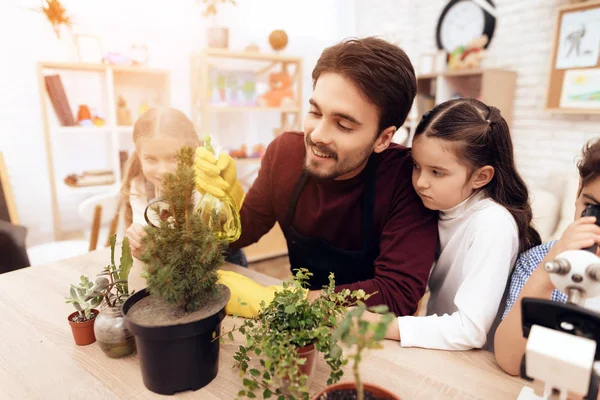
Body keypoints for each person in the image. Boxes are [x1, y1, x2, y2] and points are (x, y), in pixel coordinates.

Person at [193, 37, 438, 316]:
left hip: (369, 336)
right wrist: (219, 201)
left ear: (383, 138)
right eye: (314, 112)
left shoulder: (407, 180)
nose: (318, 135)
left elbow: (396, 295)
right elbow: (241, 233)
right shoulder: (284, 154)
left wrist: (284, 302)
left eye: (343, 125)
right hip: (300, 329)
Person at [359, 98, 541, 351]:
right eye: (416, 166)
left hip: (475, 363)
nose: (421, 182)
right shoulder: (438, 202)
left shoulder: (492, 223)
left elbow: (470, 330)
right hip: (438, 348)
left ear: (481, 176)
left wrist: (379, 325)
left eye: (437, 172)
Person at [495, 139, 600, 375]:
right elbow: (510, 361)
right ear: (579, 189)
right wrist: (546, 273)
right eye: (593, 208)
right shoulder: (538, 261)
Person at [122, 108, 247, 270]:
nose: (163, 170)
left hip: (222, 265)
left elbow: (205, 245)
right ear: (139, 156)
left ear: (194, 151)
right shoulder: (139, 186)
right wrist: (139, 242)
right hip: (172, 271)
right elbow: (147, 238)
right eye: (151, 159)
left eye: (174, 157)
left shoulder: (204, 184)